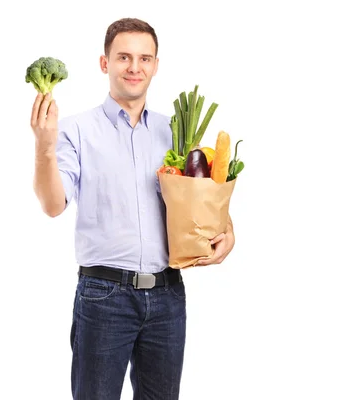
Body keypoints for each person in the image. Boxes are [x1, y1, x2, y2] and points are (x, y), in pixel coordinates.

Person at [29, 17, 235, 400]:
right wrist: (43, 147)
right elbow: (52, 205)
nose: (134, 67)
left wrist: (229, 231)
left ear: (156, 65)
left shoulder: (175, 130)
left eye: (144, 58)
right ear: (105, 63)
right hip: (104, 295)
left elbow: (199, 197)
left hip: (168, 296)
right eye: (123, 57)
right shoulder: (76, 130)